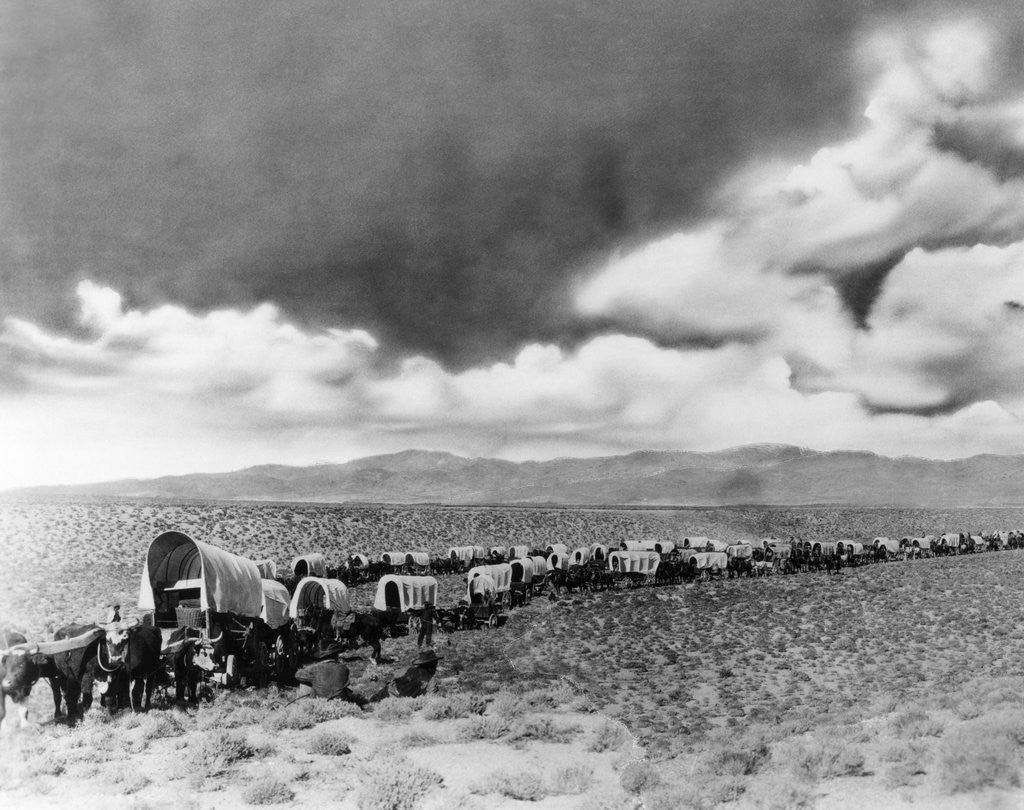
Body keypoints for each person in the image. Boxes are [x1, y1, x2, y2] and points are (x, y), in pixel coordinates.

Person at [294, 643, 365, 706]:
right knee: (344, 687)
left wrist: (308, 668)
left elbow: (297, 675)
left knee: (304, 683)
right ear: (336, 656)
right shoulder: (344, 668)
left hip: (321, 705)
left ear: (323, 656)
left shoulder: (315, 668)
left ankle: (306, 704)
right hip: (341, 704)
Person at [369, 649, 442, 702]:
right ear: (431, 665)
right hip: (398, 702)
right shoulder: (431, 680)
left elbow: (394, 676)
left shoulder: (409, 670)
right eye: (435, 664)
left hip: (387, 694)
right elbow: (431, 699)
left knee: (369, 705)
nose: (435, 666)